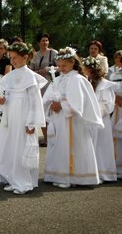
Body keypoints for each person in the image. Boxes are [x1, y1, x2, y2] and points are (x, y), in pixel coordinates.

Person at [0, 42, 47, 195]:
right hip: (11, 116)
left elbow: (35, 102)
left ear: (25, 57)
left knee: (21, 145)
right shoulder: (10, 76)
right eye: (11, 57)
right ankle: (11, 176)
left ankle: (23, 180)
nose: (12, 61)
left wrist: (32, 122)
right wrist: (2, 99)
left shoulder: (30, 77)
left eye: (15, 58)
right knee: (10, 145)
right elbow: (5, 94)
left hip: (24, 116)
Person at [42, 47, 103, 189]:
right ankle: (59, 175)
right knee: (59, 145)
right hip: (59, 119)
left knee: (71, 146)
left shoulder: (77, 79)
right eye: (59, 65)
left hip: (72, 120)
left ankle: (72, 177)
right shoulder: (58, 79)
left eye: (64, 65)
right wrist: (51, 104)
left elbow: (77, 102)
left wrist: (62, 104)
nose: (61, 68)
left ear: (72, 63)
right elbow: (48, 97)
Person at [83, 56, 117, 183]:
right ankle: (90, 172)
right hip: (88, 119)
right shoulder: (86, 82)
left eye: (85, 69)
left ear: (91, 70)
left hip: (101, 120)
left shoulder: (104, 85)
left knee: (101, 146)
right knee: (90, 145)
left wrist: (95, 112)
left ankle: (103, 173)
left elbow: (108, 104)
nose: (84, 71)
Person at [29, 33, 58, 147]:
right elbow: (31, 70)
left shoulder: (54, 53)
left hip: (51, 85)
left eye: (46, 40)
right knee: (42, 110)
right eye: (42, 40)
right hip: (39, 86)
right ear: (38, 42)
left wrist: (48, 69)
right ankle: (46, 137)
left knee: (51, 110)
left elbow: (60, 66)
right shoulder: (35, 55)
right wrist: (37, 72)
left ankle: (55, 136)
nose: (45, 42)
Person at [107, 50, 122, 178]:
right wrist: (115, 97)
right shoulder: (112, 70)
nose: (118, 59)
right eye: (116, 57)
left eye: (120, 57)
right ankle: (116, 165)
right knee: (114, 134)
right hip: (115, 103)